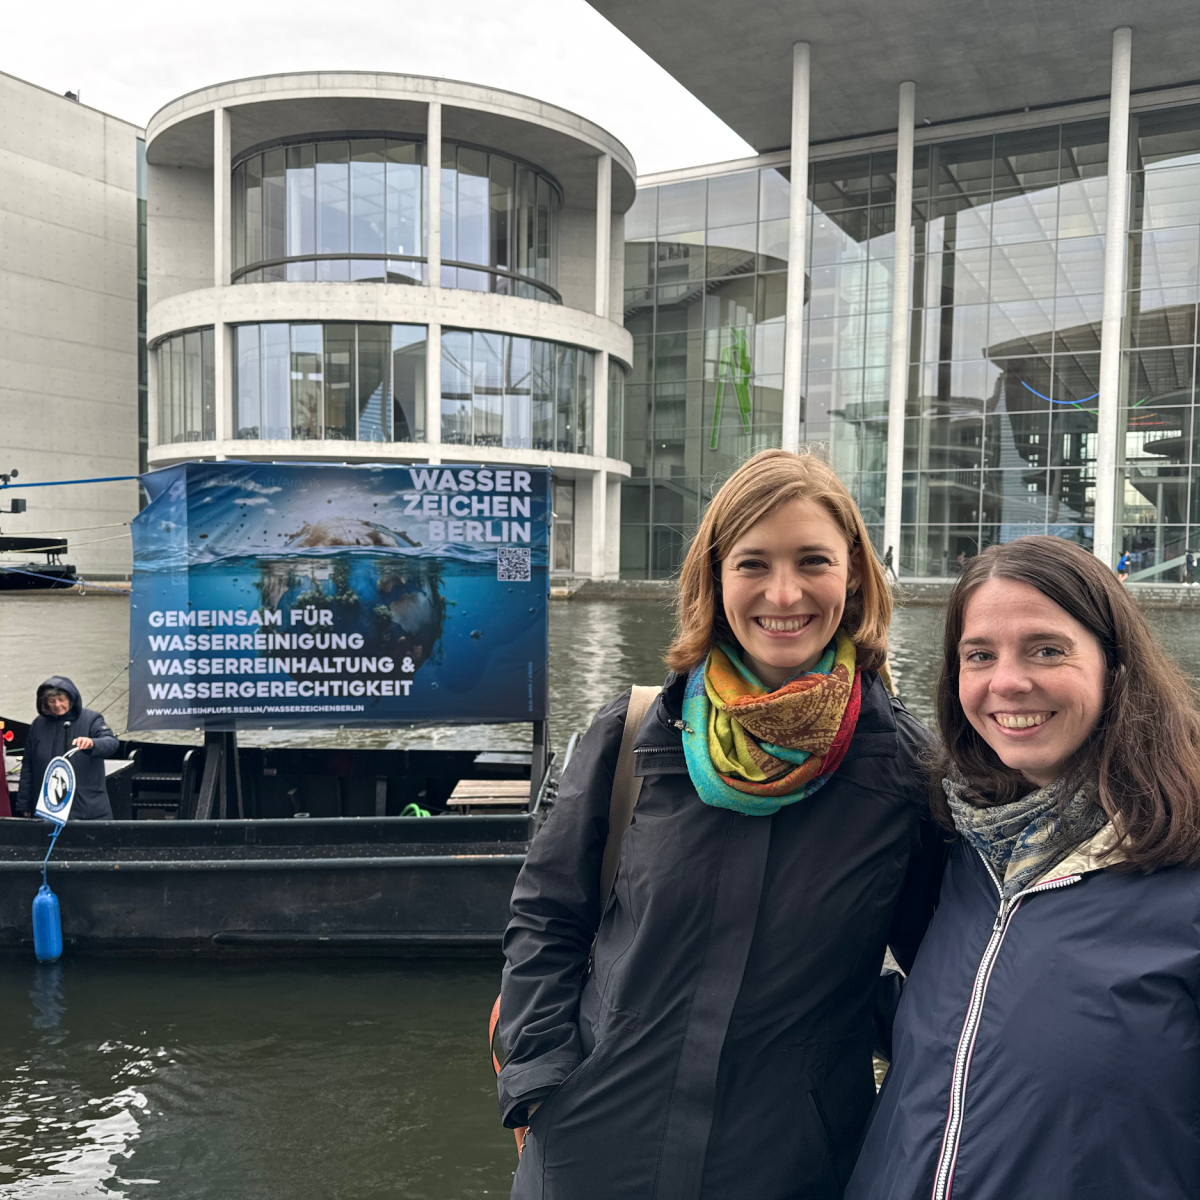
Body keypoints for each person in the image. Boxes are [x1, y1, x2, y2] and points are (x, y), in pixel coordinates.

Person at [497, 449, 945, 1200]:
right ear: (714, 578)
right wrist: (542, 1080)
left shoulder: (901, 771)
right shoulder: (638, 734)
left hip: (790, 1168)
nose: (784, 592)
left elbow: (946, 970)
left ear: (856, 576)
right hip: (595, 1153)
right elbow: (546, 917)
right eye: (753, 564)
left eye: (813, 561)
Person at [845, 535, 1200, 1200]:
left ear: (1115, 665)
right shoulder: (963, 849)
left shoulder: (1183, 878)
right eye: (980, 655)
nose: (1007, 681)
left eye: (1047, 649)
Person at [14, 676, 118, 820]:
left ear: (71, 699)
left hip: (87, 809)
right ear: (44, 703)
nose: (57, 705)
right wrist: (24, 805)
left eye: (62, 699)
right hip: (48, 809)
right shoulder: (38, 725)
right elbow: (28, 767)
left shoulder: (91, 719)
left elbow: (111, 743)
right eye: (51, 701)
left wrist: (93, 743)